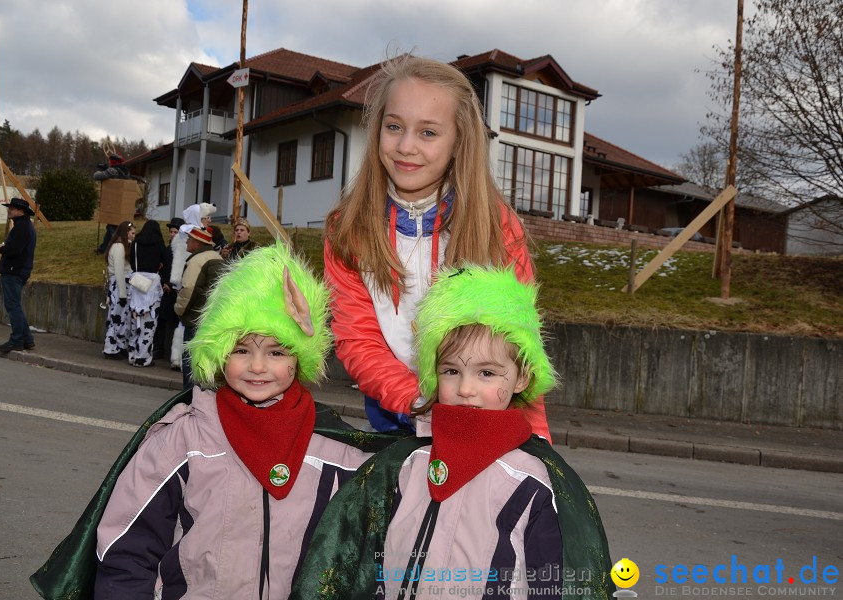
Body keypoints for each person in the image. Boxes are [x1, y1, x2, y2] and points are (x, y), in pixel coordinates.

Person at [291, 266, 615, 600]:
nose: (466, 388)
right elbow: (353, 568)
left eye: (487, 372)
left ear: (522, 379)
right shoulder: (401, 467)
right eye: (451, 371)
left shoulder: (536, 484)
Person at [92, 243, 381, 599]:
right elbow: (127, 549)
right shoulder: (181, 441)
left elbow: (365, 563)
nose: (257, 367)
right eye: (241, 350)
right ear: (218, 352)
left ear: (301, 357)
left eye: (276, 351)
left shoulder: (341, 452)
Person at [322, 54, 549, 438]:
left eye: (428, 132)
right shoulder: (348, 229)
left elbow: (521, 343)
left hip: (485, 427)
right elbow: (358, 339)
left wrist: (540, 444)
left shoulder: (497, 227)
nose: (406, 146)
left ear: (460, 142)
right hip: (395, 424)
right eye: (394, 126)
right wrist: (422, 404)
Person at [174, 226, 223, 389]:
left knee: (190, 361)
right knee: (206, 362)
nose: (187, 242)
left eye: (189, 239)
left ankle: (190, 396)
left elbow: (188, 289)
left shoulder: (197, 260)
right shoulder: (217, 258)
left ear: (196, 243)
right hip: (213, 318)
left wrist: (179, 310)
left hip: (195, 318)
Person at [0, 197, 37, 353]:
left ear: (21, 211)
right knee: (16, 306)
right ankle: (27, 339)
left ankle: (17, 340)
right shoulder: (25, 226)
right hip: (19, 270)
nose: (9, 210)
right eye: (9, 208)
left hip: (14, 271)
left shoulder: (22, 227)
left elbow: (13, 250)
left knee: (13, 307)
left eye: (12, 208)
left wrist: (2, 248)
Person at [127, 220, 168, 367]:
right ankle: (143, 357)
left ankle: (132, 354)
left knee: (134, 321)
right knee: (149, 323)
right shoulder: (158, 243)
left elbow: (132, 262)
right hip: (152, 284)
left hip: (137, 282)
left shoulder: (136, 243)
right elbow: (166, 260)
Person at [103, 221, 135, 359]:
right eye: (132, 233)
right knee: (116, 317)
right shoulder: (119, 247)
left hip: (121, 286)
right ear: (126, 232)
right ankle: (110, 348)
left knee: (122, 318)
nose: (134, 236)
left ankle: (119, 346)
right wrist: (122, 294)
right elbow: (119, 271)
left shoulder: (121, 245)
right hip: (119, 286)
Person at [154, 217, 184, 363]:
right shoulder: (167, 249)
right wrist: (164, 283)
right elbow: (163, 267)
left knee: (175, 322)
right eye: (171, 232)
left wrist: (171, 285)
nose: (172, 234)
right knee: (161, 320)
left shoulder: (183, 249)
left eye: (175, 231)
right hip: (165, 289)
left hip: (176, 290)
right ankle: (159, 348)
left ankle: (174, 353)